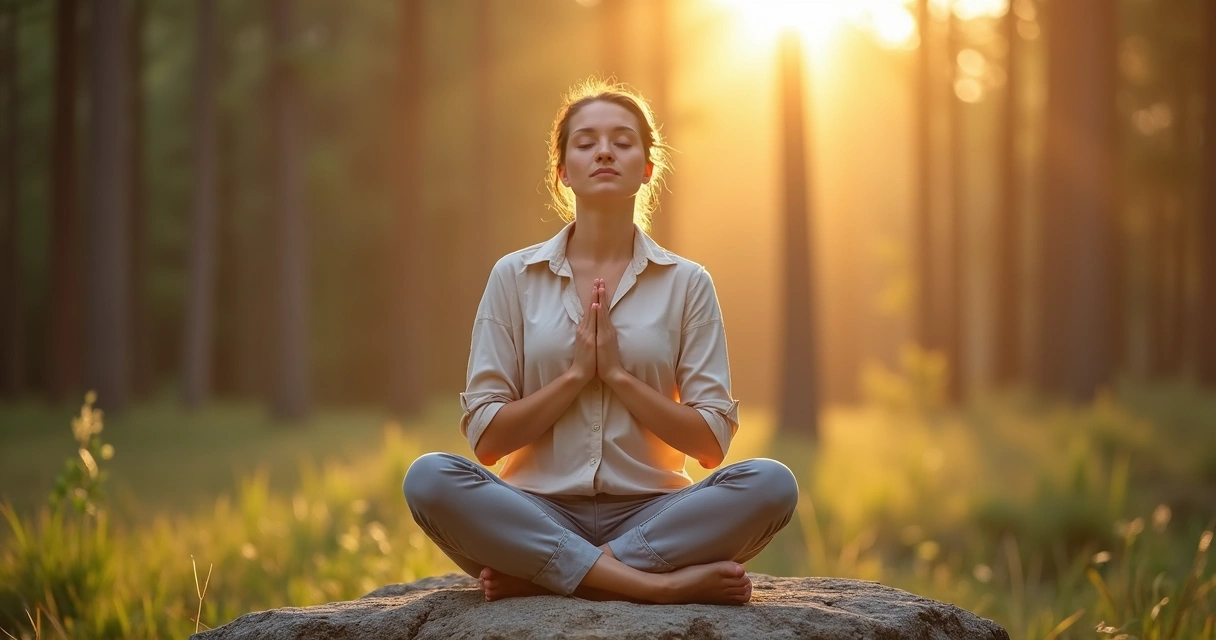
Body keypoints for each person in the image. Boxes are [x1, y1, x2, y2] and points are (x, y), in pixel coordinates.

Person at [403, 79, 798, 605]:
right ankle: (653, 587)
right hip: (534, 511)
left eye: (623, 140)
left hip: (654, 515)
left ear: (648, 168)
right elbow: (487, 440)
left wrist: (616, 376)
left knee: (772, 484)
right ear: (562, 171)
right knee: (429, 477)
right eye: (586, 142)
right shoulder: (514, 276)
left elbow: (709, 444)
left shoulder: (687, 282)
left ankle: (549, 575)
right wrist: (573, 379)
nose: (605, 151)